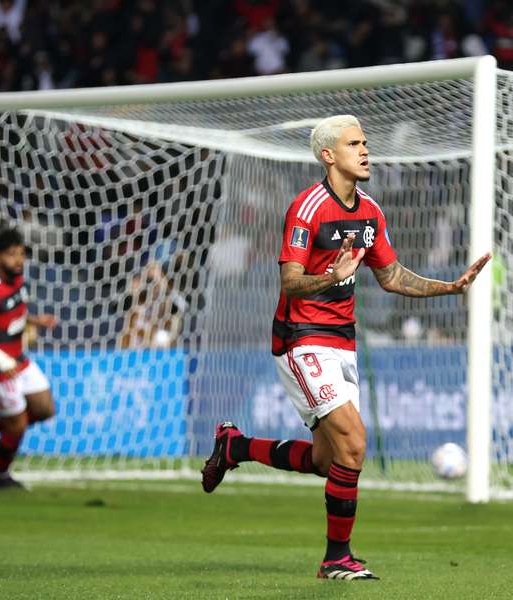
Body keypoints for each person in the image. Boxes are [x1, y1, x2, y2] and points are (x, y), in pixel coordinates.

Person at [200, 115, 491, 580]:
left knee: (327, 460)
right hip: (300, 338)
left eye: (365, 142)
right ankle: (337, 557)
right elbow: (290, 282)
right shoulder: (307, 208)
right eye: (354, 143)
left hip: (343, 341)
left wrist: (450, 287)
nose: (365, 150)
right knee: (354, 445)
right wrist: (330, 277)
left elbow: (392, 276)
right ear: (328, 155)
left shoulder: (371, 211)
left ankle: (234, 446)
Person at [0, 229, 57, 489]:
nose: (18, 260)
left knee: (45, 408)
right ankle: (1, 476)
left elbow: (12, 311)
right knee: (18, 425)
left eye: (21, 254)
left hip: (19, 359)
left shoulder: (16, 280)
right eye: (11, 254)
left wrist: (36, 320)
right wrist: (0, 359)